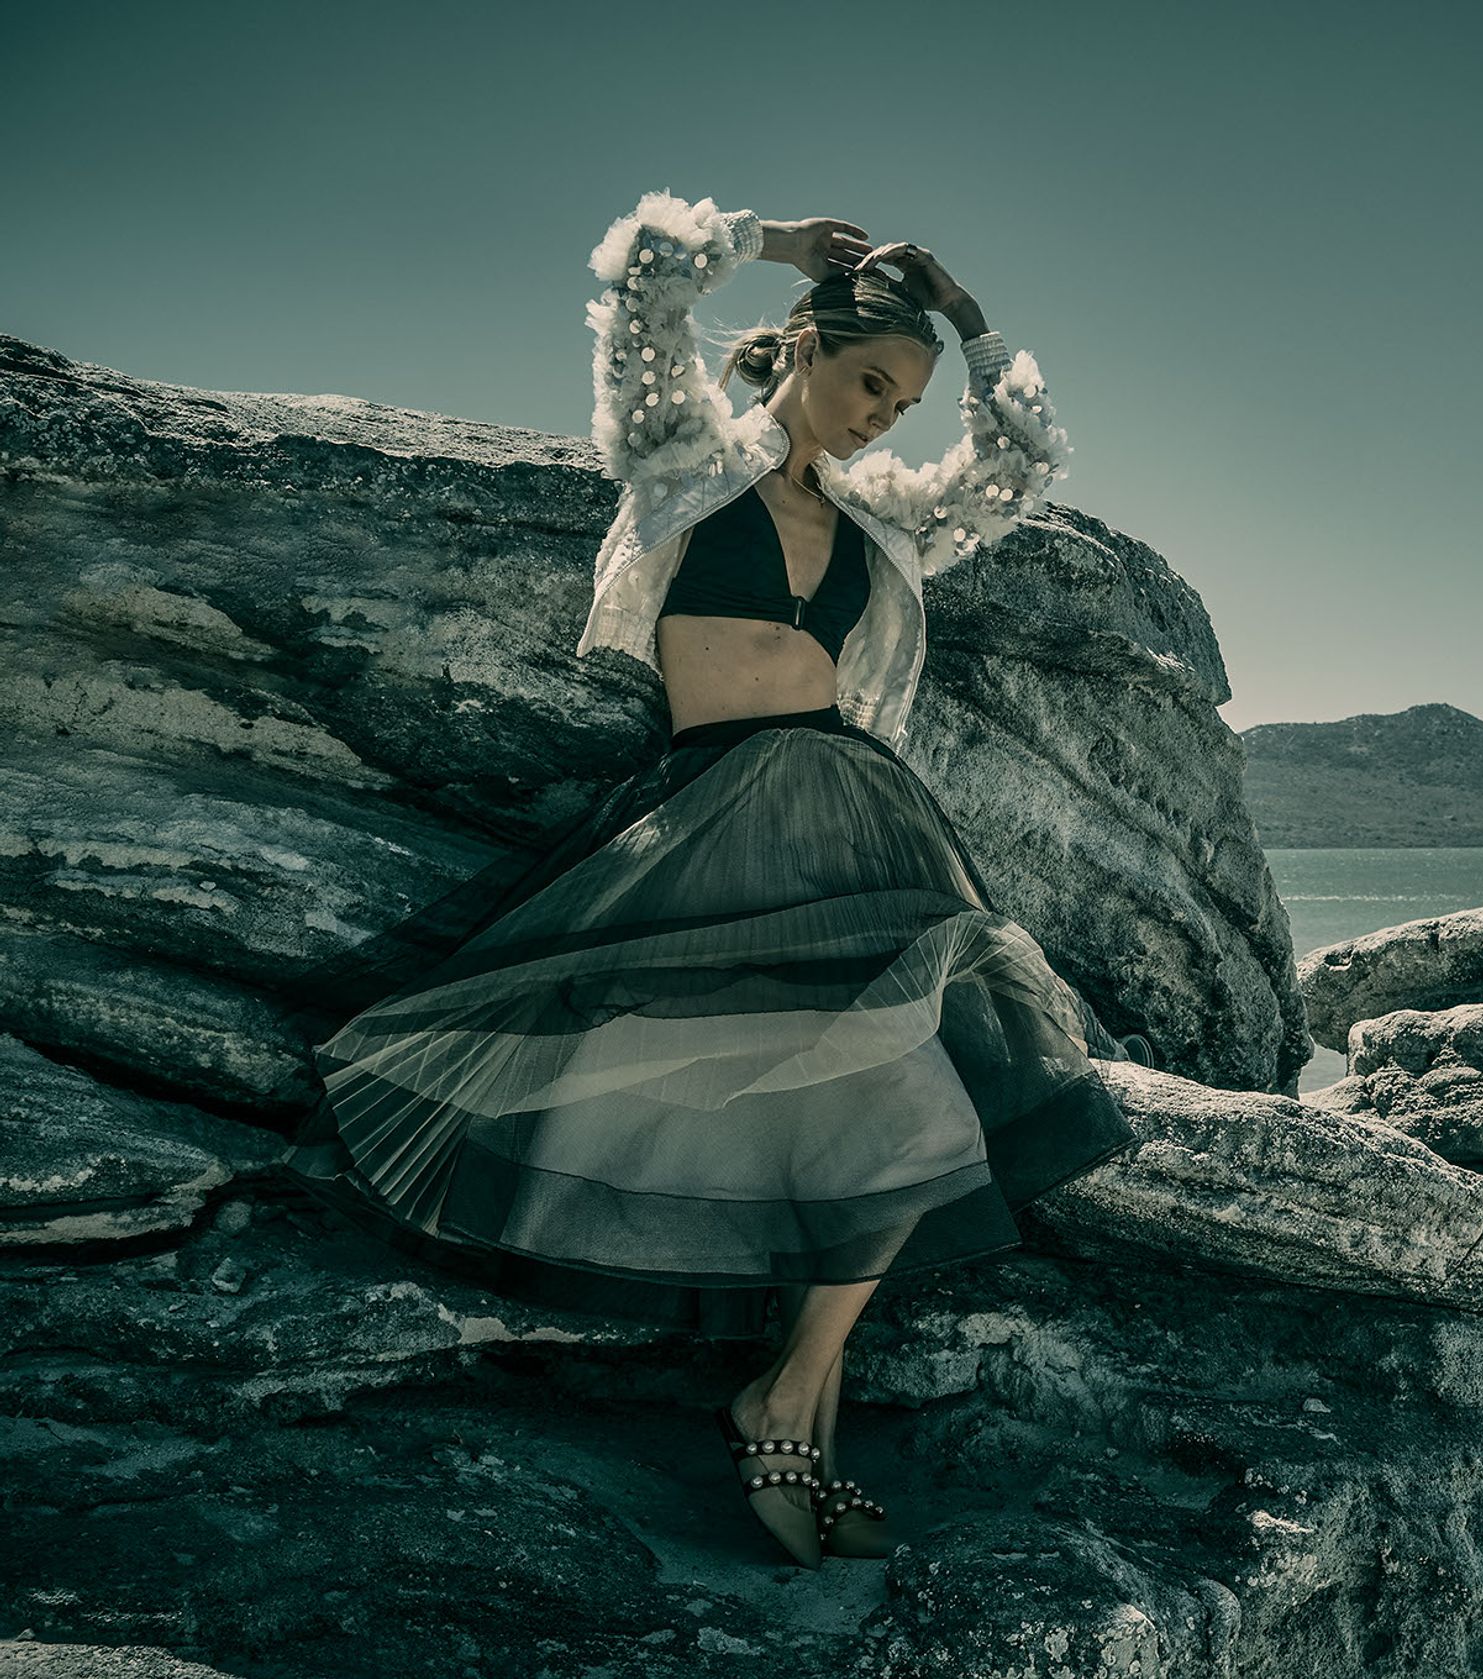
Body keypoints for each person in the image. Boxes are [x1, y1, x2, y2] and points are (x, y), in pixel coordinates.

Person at [277, 190, 1150, 1570]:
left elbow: (1019, 464)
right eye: (867, 381)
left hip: (866, 826)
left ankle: (793, 1394)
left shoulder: (889, 524)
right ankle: (785, 1402)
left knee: (908, 1109)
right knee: (777, 1107)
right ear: (802, 346)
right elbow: (643, 299)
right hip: (711, 815)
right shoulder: (683, 457)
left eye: (901, 404)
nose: (878, 418)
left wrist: (972, 322)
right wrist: (774, 238)